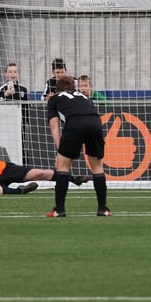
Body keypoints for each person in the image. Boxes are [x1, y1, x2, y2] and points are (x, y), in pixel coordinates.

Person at [46, 76, 111, 218]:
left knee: (63, 167)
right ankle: (102, 209)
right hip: (95, 122)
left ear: (57, 89)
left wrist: (59, 150)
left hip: (74, 123)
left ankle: (59, 210)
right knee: (97, 168)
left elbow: (54, 126)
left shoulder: (54, 98)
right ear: (74, 88)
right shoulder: (83, 96)